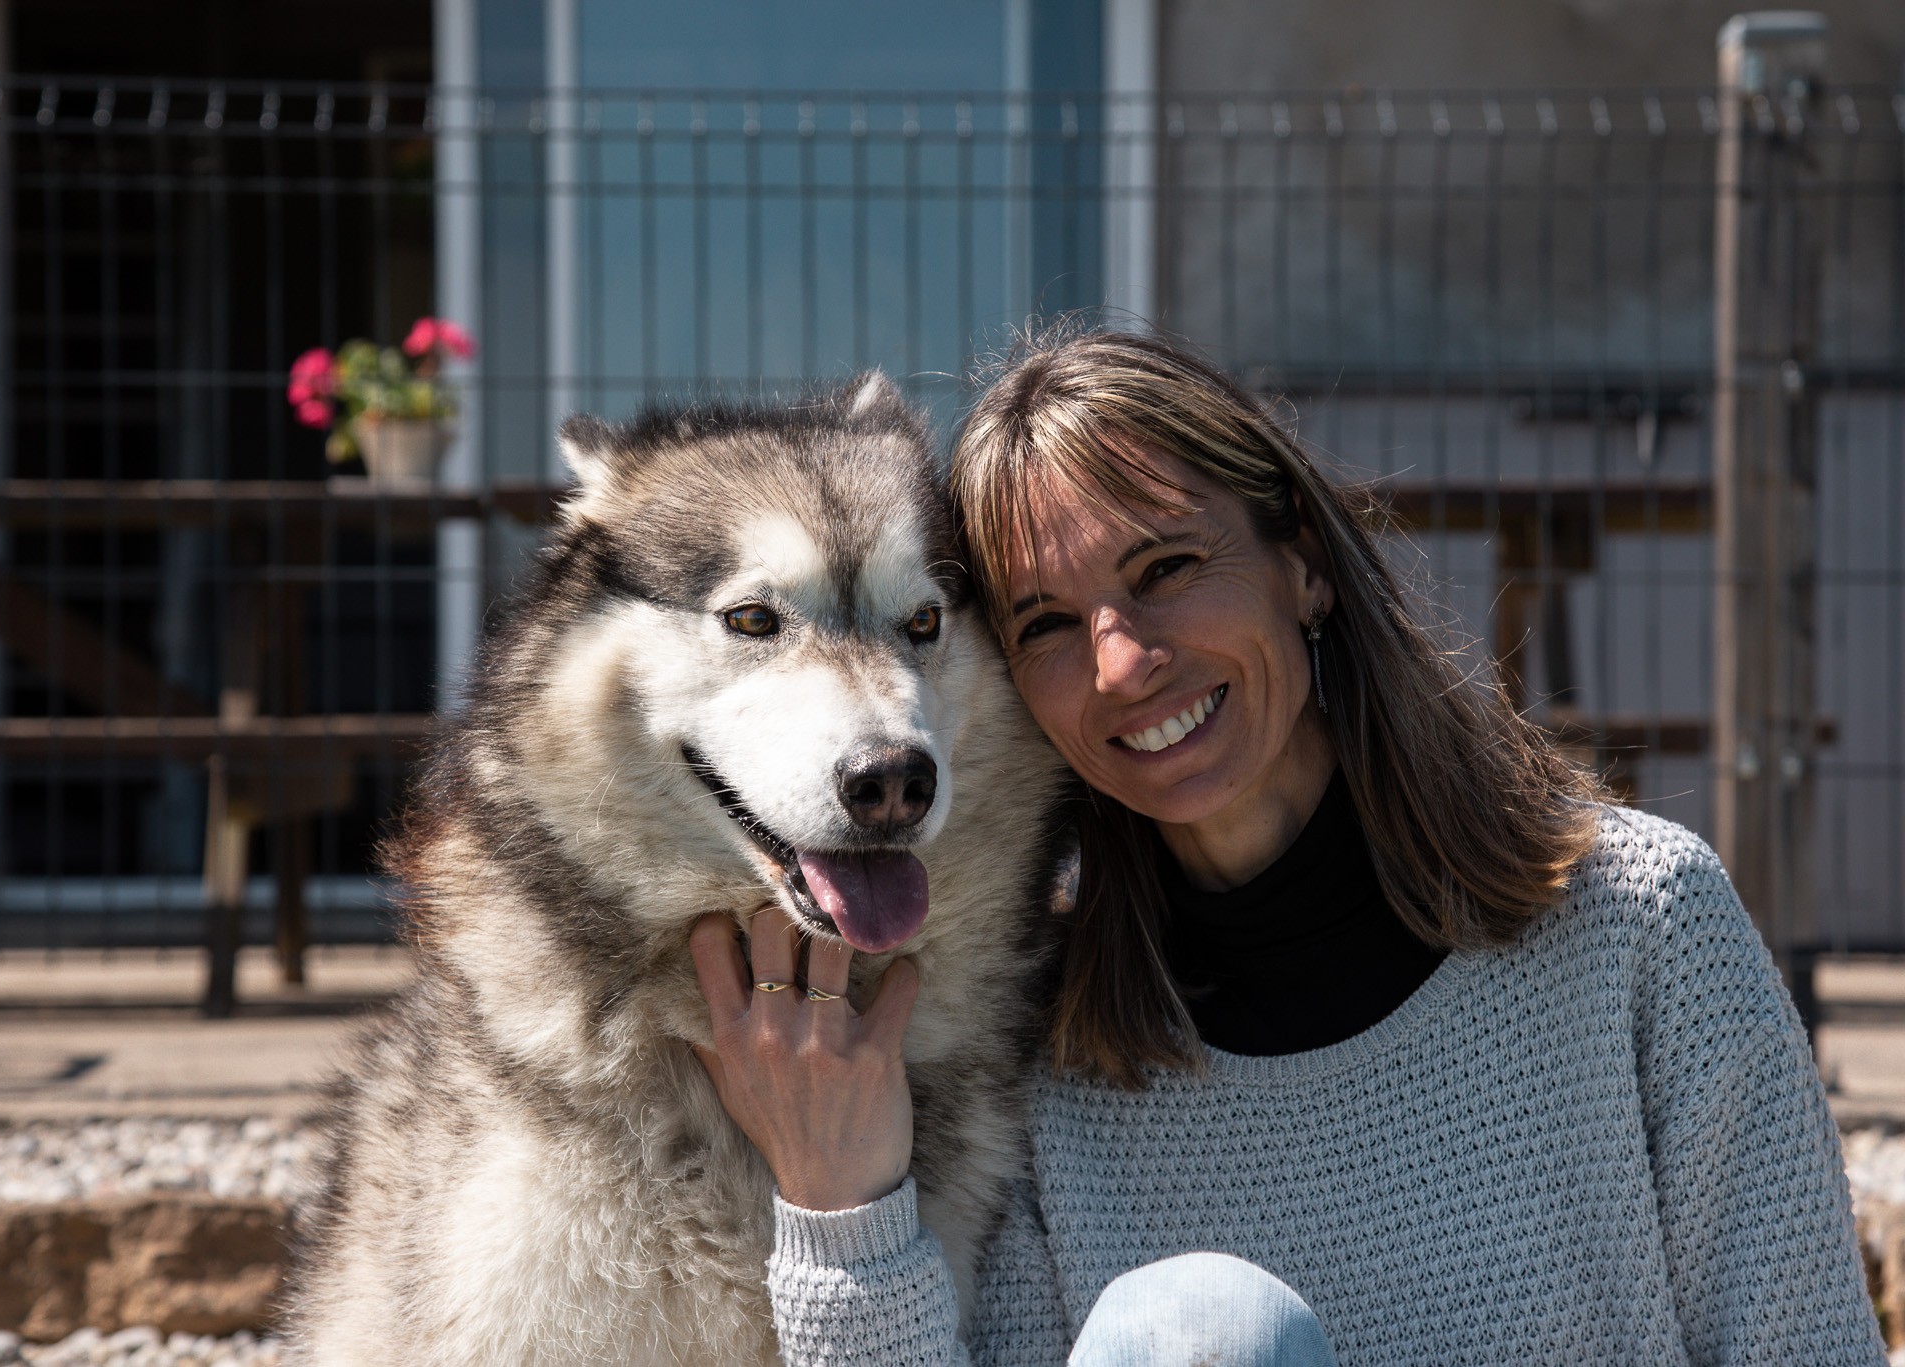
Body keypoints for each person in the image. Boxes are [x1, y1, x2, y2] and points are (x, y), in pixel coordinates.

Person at [687, 328, 1885, 1365]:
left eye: (1163, 569)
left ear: (1301, 562)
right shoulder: (1046, 1040)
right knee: (1190, 1322)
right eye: (1047, 625)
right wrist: (837, 1201)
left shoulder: (1641, 926)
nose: (1119, 660)